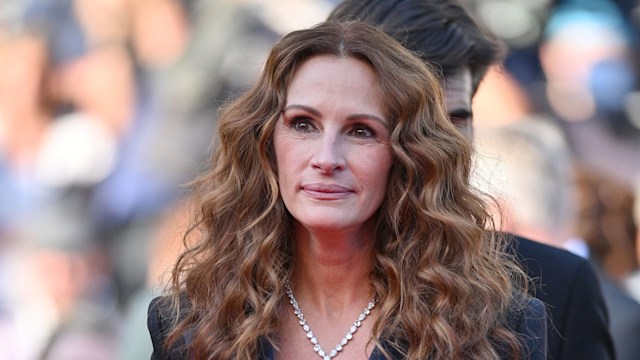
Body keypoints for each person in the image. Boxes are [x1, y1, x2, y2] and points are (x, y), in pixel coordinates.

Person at [147, 20, 546, 359]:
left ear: (406, 157)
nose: (327, 157)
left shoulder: (497, 327)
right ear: (267, 144)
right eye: (303, 124)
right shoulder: (189, 326)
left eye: (361, 131)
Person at [327, 1, 614, 359]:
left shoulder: (555, 287)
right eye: (410, 119)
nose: (439, 145)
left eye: (455, 120)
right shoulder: (246, 280)